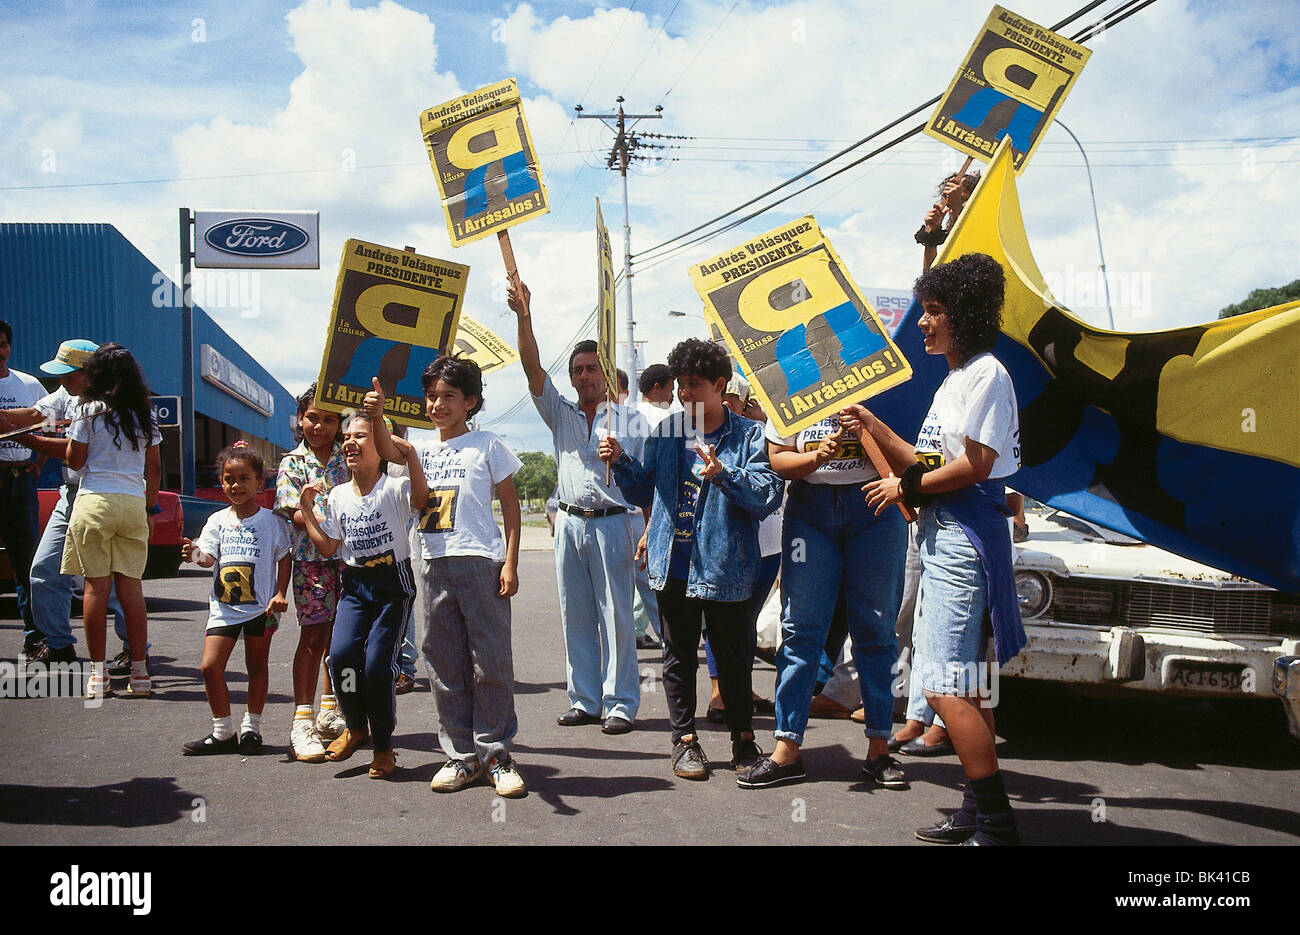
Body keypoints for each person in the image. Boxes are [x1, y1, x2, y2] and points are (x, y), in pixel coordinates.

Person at [855, 252, 1027, 845]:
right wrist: (872, 427)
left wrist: (903, 485)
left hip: (963, 538)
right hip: (941, 535)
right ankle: (978, 813)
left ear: (967, 317)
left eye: (934, 313)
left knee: (944, 685)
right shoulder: (956, 378)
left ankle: (997, 825)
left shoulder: (987, 375)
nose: (923, 323)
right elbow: (931, 460)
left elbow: (976, 466)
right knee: (971, 684)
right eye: (923, 312)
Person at [601, 338, 782, 779]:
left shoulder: (749, 436)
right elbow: (645, 491)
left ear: (721, 386)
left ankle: (744, 740)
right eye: (681, 385)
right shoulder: (666, 433)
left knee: (734, 657)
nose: (685, 394)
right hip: (673, 564)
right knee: (677, 658)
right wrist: (622, 462)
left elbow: (766, 496)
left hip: (726, 565)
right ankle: (684, 742)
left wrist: (724, 474)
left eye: (694, 385)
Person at [737, 393, 907, 790]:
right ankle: (787, 747)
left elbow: (909, 455)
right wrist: (818, 458)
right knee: (800, 628)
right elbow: (778, 458)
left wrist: (870, 425)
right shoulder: (790, 387)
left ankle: (880, 748)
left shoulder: (883, 381)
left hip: (876, 505)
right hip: (811, 511)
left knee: (876, 628)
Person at [376, 359, 527, 798]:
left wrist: (511, 562)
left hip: (481, 564)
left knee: (491, 661)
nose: (438, 404)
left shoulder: (487, 445)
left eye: (448, 397)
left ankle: (496, 755)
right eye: (432, 396)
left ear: (470, 402)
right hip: (434, 563)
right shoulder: (417, 448)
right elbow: (386, 450)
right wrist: (376, 412)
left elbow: (512, 510)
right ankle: (461, 756)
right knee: (444, 663)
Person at [509, 276, 648, 734]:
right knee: (577, 617)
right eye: (578, 370)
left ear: (606, 373)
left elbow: (646, 481)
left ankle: (621, 703)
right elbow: (531, 369)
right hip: (568, 524)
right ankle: (585, 700)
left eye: (592, 368)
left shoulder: (630, 419)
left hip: (615, 524)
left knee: (618, 617)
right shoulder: (560, 414)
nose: (584, 376)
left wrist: (622, 462)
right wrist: (523, 316)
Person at [298, 405, 428, 779]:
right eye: (347, 437)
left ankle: (384, 747)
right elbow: (328, 547)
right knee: (341, 659)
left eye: (360, 436)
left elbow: (421, 500)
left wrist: (411, 457)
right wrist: (307, 509)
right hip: (354, 586)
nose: (350, 443)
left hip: (392, 584)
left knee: (375, 667)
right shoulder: (338, 495)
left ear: (381, 445)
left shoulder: (395, 486)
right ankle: (356, 726)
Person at [0, 339, 130, 666]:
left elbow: (74, 455)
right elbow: (33, 413)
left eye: (68, 375)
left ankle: (135, 648)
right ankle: (59, 646)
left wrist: (21, 437)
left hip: (101, 496)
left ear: (90, 372)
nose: (62, 382)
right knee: (44, 570)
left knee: (112, 581)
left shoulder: (108, 405)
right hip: (71, 496)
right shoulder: (66, 395)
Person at [61, 344, 160, 700]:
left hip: (94, 503)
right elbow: (155, 469)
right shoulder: (144, 415)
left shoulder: (86, 410)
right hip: (133, 504)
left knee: (95, 590)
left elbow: (75, 461)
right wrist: (148, 509)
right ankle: (141, 673)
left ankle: (97, 674)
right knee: (131, 590)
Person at [180, 442, 291, 756]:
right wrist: (193, 554)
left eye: (244, 478)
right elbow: (208, 558)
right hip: (224, 610)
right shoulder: (216, 521)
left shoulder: (272, 521)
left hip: (261, 608)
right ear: (221, 481)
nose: (236, 485)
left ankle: (251, 729)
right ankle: (222, 732)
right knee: (210, 667)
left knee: (256, 666)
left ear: (259, 482)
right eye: (229, 478)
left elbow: (285, 557)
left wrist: (280, 593)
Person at [274, 384, 349, 762]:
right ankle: (301, 721)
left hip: (348, 561)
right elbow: (295, 512)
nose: (319, 426)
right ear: (300, 420)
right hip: (309, 562)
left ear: (340, 423)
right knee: (314, 636)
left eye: (329, 419)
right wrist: (328, 522)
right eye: (312, 418)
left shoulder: (350, 457)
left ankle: (331, 711)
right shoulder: (292, 463)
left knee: (343, 641)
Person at [0, 320, 49, 656]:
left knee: (26, 563)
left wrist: (38, 465)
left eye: (2, 343)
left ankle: (35, 637)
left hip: (19, 481)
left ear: (10, 347)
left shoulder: (29, 385)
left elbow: (51, 425)